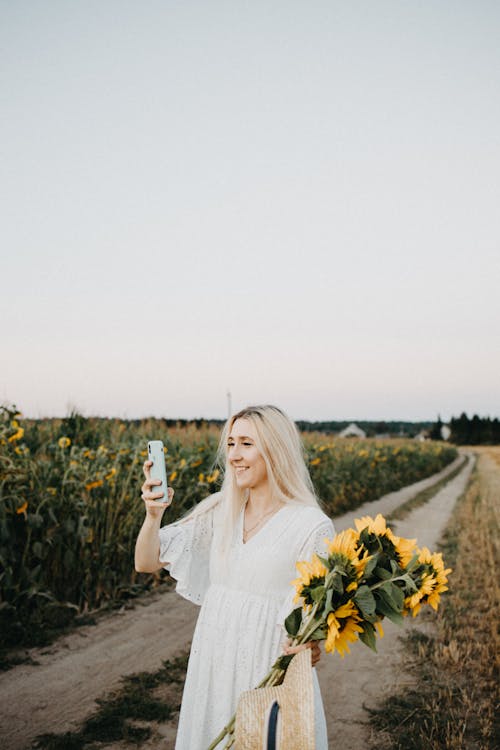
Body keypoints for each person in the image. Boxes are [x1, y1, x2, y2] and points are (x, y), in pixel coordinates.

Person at [135, 405, 334, 749]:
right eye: (230, 444)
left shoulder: (311, 526)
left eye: (246, 444)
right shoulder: (220, 510)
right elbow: (146, 561)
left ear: (275, 449)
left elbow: (314, 617)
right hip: (213, 660)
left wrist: (310, 646)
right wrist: (154, 515)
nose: (234, 456)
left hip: (266, 666)